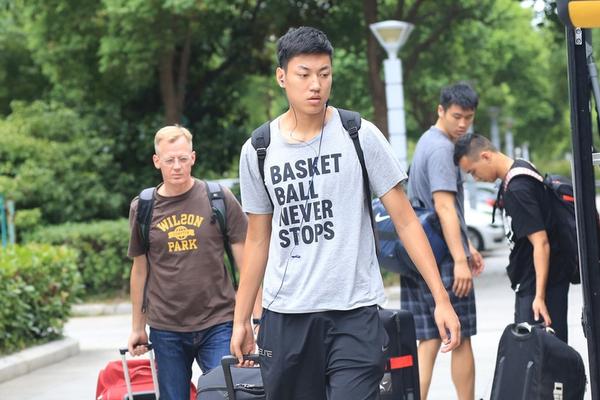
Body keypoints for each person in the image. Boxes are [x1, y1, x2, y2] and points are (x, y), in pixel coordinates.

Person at [230, 26, 461, 400]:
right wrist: (242, 318)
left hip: (354, 313)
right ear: (282, 77)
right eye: (304, 75)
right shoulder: (259, 149)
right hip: (286, 315)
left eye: (324, 74)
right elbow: (258, 239)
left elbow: (405, 220)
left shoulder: (359, 134)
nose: (316, 85)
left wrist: (441, 298)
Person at [126, 125, 262, 400]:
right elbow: (140, 271)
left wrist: (254, 320)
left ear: (193, 157)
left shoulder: (218, 198)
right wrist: (138, 328)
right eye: (169, 160)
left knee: (224, 394)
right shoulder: (143, 207)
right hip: (166, 327)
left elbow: (248, 263)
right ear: (157, 161)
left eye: (183, 158)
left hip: (219, 322)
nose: (177, 166)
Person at [403, 82, 484, 400]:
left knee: (429, 340)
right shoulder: (441, 149)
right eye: (456, 116)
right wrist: (460, 260)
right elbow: (444, 206)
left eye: (469, 117)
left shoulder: (426, 141)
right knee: (460, 337)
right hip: (443, 258)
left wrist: (468, 245)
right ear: (441, 111)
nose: (463, 124)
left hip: (419, 254)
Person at [454, 133, 571, 342]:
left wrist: (539, 297)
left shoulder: (518, 187)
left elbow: (541, 242)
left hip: (539, 287)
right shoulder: (520, 170)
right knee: (539, 353)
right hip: (536, 282)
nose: (475, 178)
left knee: (541, 354)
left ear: (486, 156)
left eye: (473, 171)